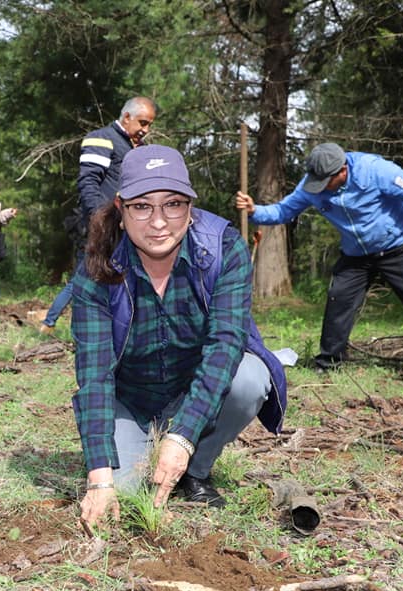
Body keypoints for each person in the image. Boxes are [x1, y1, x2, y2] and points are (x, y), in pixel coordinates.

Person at [73, 145, 287, 527]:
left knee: (250, 379)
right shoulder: (98, 267)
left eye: (172, 204)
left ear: (190, 208)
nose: (158, 222)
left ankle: (195, 467)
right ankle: (140, 453)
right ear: (121, 210)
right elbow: (94, 375)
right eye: (142, 206)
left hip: (194, 393)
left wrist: (183, 435)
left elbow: (225, 346)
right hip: (130, 401)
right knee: (123, 493)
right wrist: (99, 479)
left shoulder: (222, 248)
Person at [236, 143, 403, 377]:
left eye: (326, 182)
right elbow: (284, 211)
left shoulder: (374, 170)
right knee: (339, 302)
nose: (320, 188)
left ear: (342, 170)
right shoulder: (311, 185)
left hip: (399, 246)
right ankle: (328, 363)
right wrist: (256, 211)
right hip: (356, 255)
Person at [41, 97, 157, 334]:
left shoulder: (140, 150)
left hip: (128, 227)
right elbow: (88, 182)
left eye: (149, 125)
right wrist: (98, 219)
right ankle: (68, 329)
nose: (146, 130)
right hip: (101, 226)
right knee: (87, 276)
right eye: (142, 123)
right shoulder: (102, 139)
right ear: (127, 117)